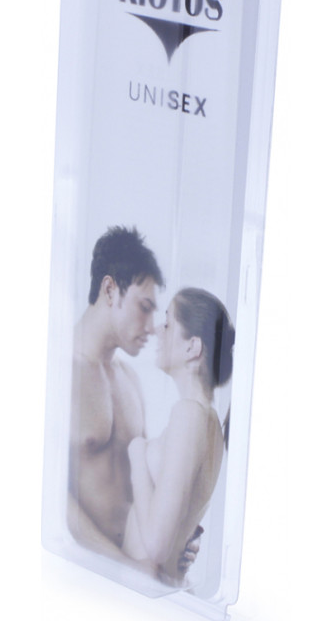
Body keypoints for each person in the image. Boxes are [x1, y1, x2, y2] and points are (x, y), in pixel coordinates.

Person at [68, 227, 201, 577]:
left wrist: (177, 538)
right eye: (144, 308)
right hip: (81, 575)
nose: (153, 327)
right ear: (110, 289)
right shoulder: (57, 373)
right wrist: (125, 566)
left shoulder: (129, 380)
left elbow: (144, 487)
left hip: (131, 576)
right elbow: (52, 499)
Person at [122, 287, 234, 585]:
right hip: (150, 589)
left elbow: (156, 547)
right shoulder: (207, 421)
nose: (158, 330)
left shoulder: (189, 415)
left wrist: (137, 455)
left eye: (168, 323)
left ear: (192, 347)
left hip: (142, 592)